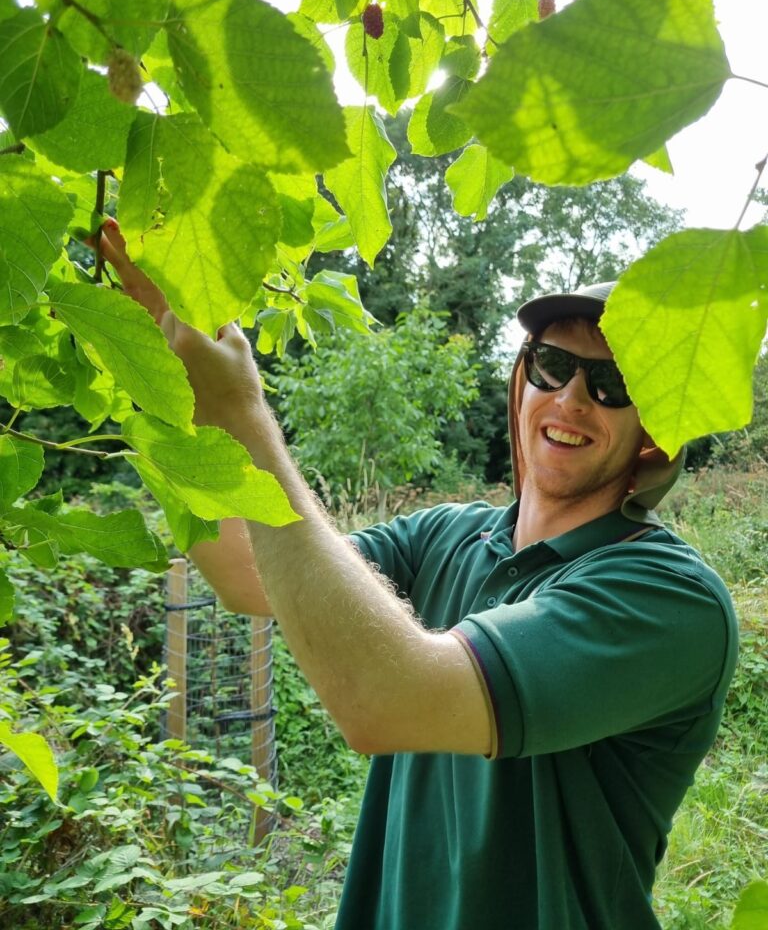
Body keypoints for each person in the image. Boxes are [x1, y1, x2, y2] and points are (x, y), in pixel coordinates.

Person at [93, 219, 738, 930]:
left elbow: (381, 699)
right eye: (554, 366)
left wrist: (241, 413)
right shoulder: (446, 536)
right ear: (523, 379)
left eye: (615, 385)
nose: (573, 399)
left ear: (656, 430)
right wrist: (171, 390)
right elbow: (250, 574)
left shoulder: (667, 599)